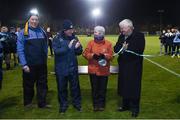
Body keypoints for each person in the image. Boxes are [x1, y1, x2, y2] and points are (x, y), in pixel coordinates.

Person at [17, 9, 50, 108]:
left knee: (42, 84)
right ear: (28, 20)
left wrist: (46, 56)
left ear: (38, 21)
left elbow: (45, 45)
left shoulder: (42, 31)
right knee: (28, 85)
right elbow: (20, 49)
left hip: (41, 64)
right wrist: (24, 64)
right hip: (29, 65)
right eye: (32, 19)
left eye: (36, 20)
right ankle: (28, 103)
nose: (34, 21)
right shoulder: (23, 33)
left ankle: (42, 103)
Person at [114, 19, 145, 117]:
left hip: (134, 66)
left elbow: (140, 49)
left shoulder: (139, 36)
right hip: (123, 65)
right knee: (124, 85)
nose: (121, 30)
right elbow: (115, 48)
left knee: (134, 87)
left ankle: (135, 108)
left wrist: (127, 49)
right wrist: (121, 49)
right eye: (121, 28)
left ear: (130, 27)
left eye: (123, 28)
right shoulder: (121, 36)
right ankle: (125, 105)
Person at [52, 20, 83, 114]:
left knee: (75, 87)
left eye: (72, 29)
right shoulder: (57, 38)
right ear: (64, 30)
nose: (71, 31)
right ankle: (63, 105)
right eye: (69, 29)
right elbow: (56, 52)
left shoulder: (75, 37)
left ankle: (77, 104)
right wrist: (68, 47)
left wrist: (78, 48)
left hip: (72, 67)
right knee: (62, 88)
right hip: (61, 68)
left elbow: (79, 52)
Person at [83, 26, 113, 111]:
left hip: (104, 71)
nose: (95, 33)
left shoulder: (108, 43)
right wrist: (92, 55)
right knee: (95, 89)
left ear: (102, 33)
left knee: (102, 89)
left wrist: (105, 56)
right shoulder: (91, 43)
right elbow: (85, 53)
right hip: (93, 70)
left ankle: (102, 104)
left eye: (98, 32)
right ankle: (96, 104)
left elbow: (111, 56)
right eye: (95, 32)